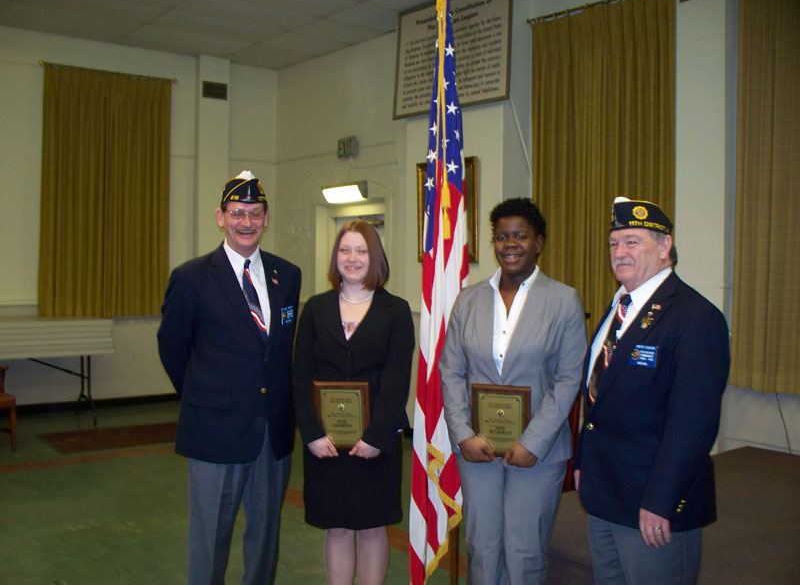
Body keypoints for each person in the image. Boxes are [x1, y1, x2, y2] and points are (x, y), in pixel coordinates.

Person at [573, 197, 730, 585]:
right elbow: (598, 400)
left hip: (651, 507)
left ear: (664, 247)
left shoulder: (695, 317)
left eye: (632, 241)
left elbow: (693, 423)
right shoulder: (618, 309)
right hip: (604, 495)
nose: (620, 252)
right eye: (614, 243)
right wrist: (581, 463)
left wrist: (661, 501)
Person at [157, 170, 301, 585]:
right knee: (209, 542)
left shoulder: (286, 275)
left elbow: (280, 349)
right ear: (220, 217)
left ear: (266, 217)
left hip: (272, 433)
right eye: (237, 213)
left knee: (265, 541)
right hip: (214, 431)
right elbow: (172, 347)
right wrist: (205, 398)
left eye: (255, 213)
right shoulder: (191, 278)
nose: (246, 222)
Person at [440, 198, 587, 585]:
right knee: (483, 549)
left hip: (538, 453)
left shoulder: (564, 301)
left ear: (538, 242)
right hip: (478, 449)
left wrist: (533, 442)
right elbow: (451, 370)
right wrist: (462, 435)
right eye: (502, 236)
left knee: (526, 553)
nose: (510, 244)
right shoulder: (468, 300)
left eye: (520, 236)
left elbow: (568, 379)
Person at [292, 220, 414, 585]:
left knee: (374, 528)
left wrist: (376, 437)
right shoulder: (315, 309)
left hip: (376, 443)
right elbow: (301, 375)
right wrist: (311, 433)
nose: (352, 258)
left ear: (374, 257)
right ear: (336, 257)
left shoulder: (395, 310)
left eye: (361, 250)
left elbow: (397, 379)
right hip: (326, 443)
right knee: (338, 528)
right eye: (345, 250)